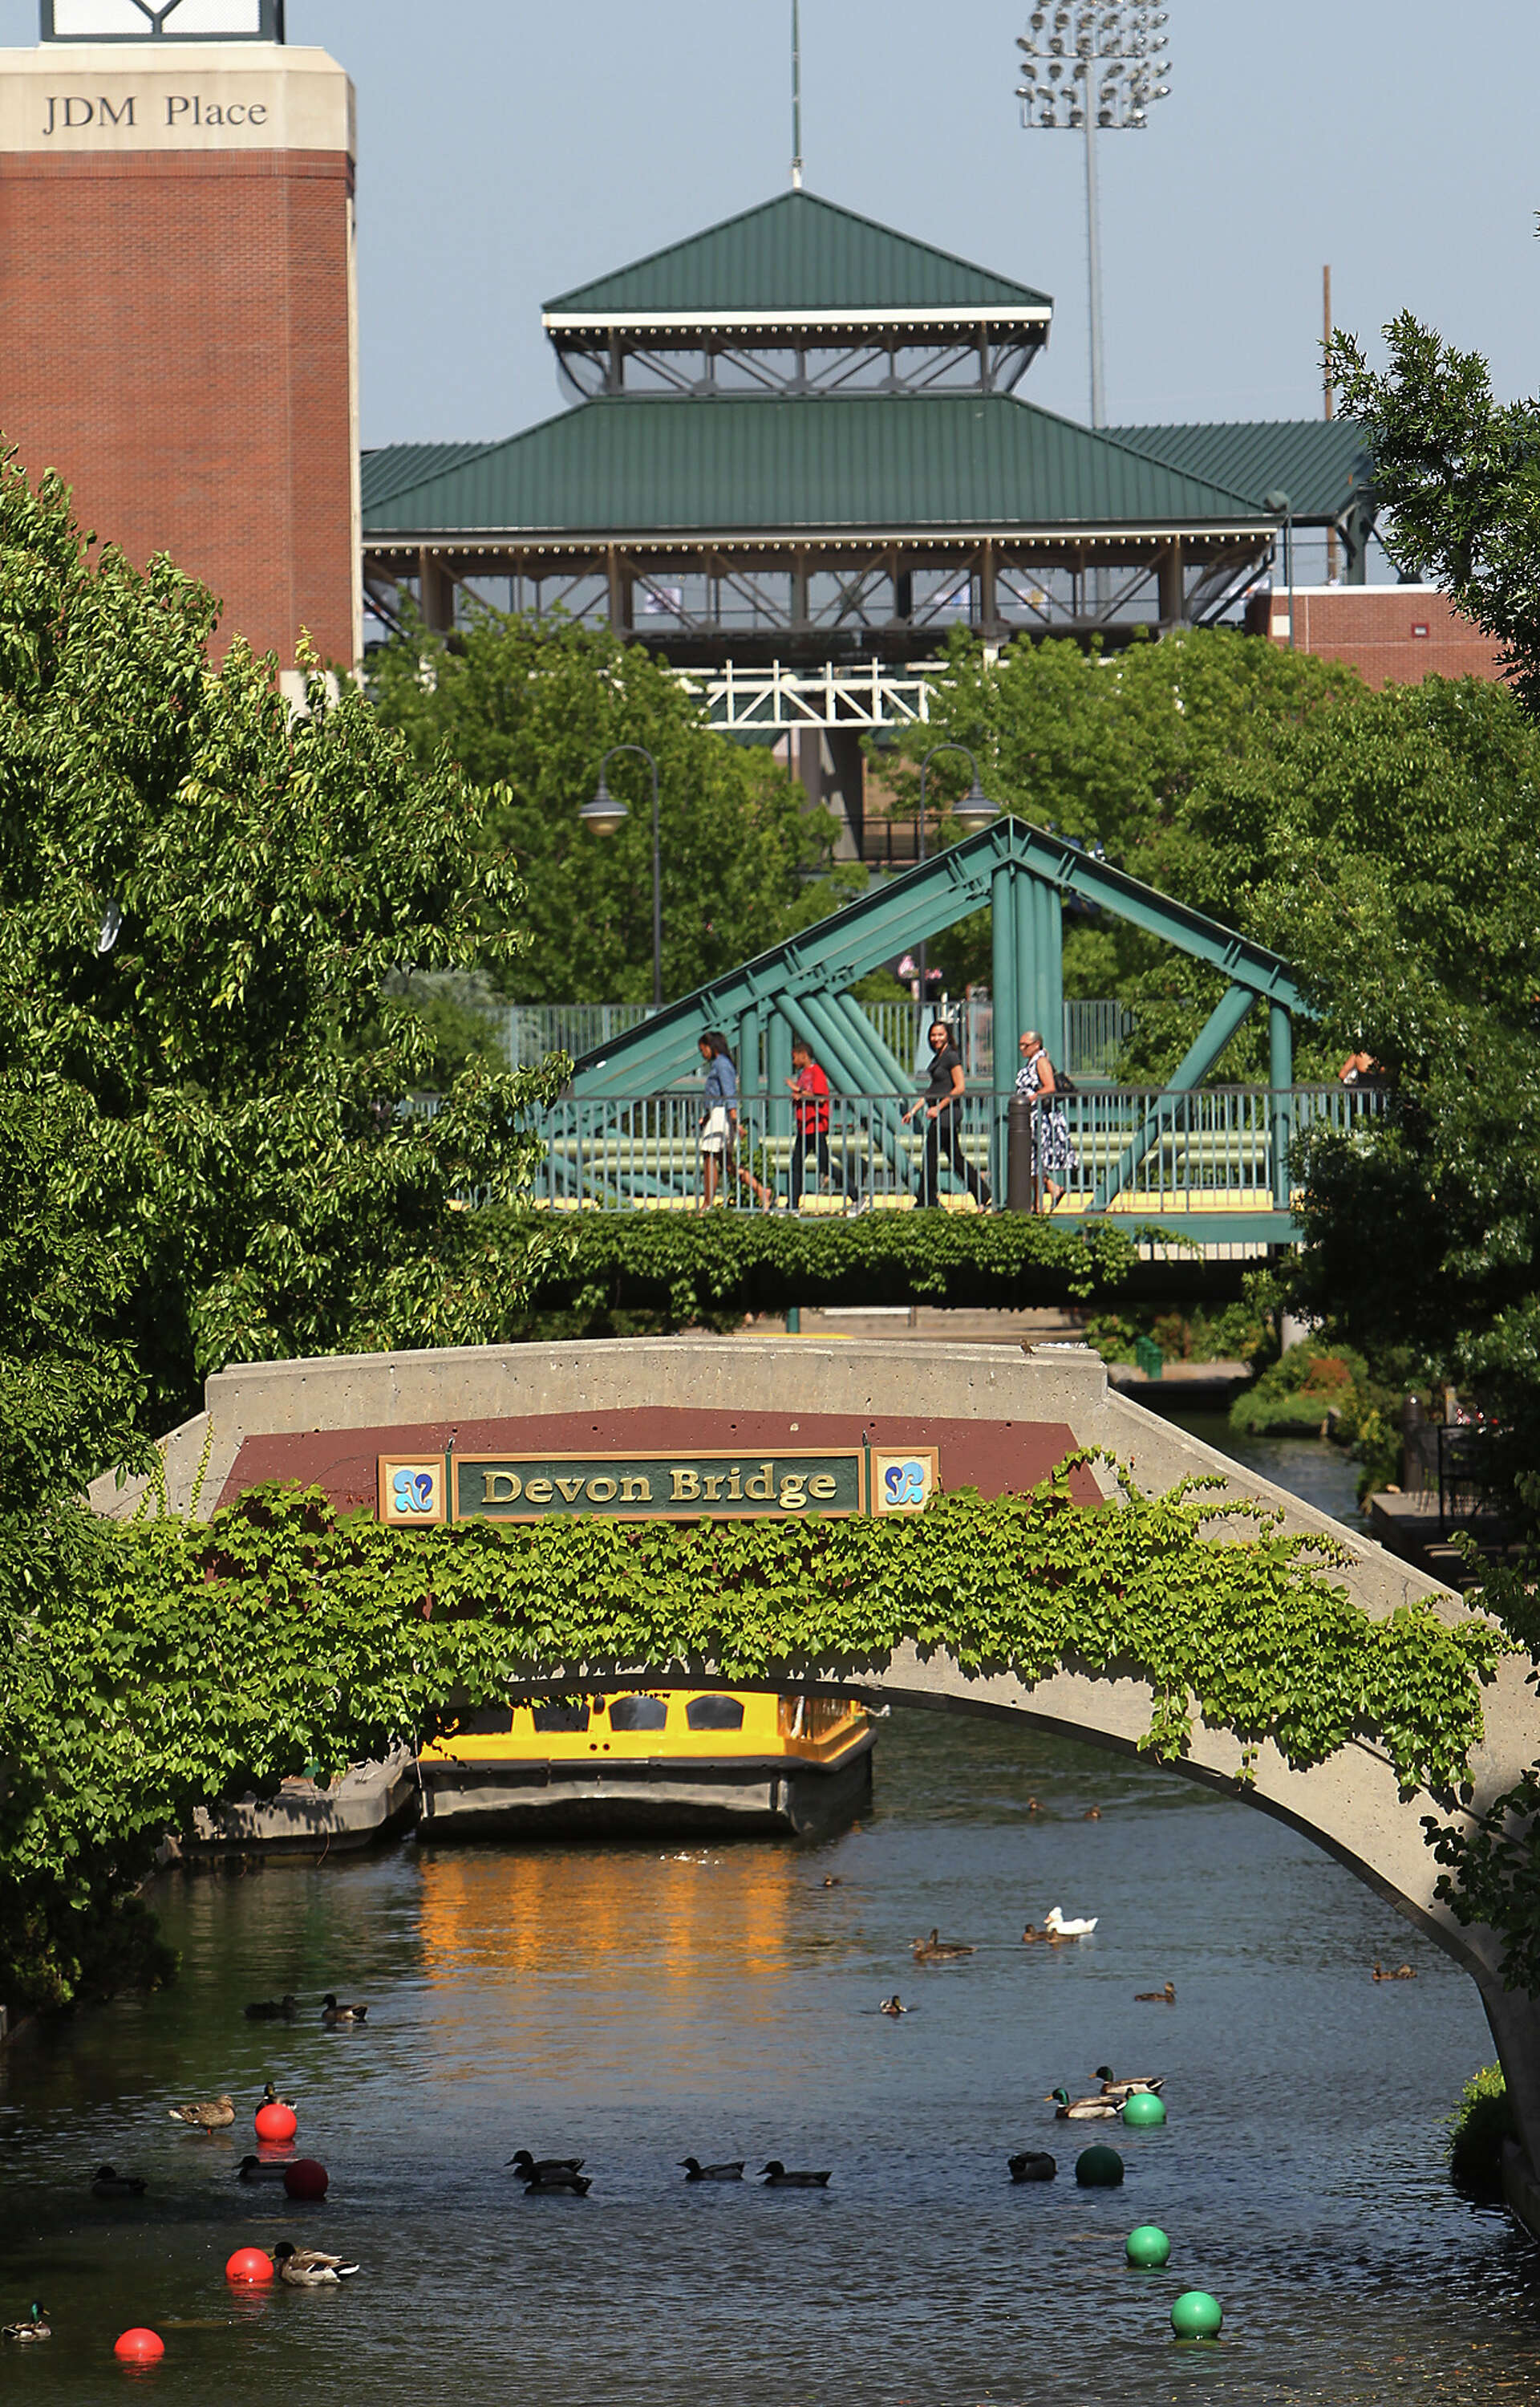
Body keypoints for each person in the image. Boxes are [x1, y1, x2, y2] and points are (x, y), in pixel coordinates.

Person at [904, 1019, 990, 1208]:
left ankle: (926, 1198)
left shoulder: (951, 1056)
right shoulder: (938, 1058)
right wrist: (913, 1110)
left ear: (947, 1036)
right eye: (933, 1035)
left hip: (948, 1114)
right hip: (942, 1114)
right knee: (955, 1157)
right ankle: (983, 1193)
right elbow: (932, 1091)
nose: (936, 1038)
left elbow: (960, 1088)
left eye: (940, 1034)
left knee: (931, 1155)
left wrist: (938, 1107)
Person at [697, 1031, 773, 1210]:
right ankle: (761, 1190)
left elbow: (728, 1092)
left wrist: (733, 1118)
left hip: (720, 1115)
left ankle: (707, 1205)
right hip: (718, 1115)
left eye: (703, 1049)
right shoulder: (722, 1064)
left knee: (709, 1158)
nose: (703, 1054)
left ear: (711, 1047)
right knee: (728, 1164)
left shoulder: (721, 1065)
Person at [1016, 1028, 1076, 1210]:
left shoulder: (1041, 1062)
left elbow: (1050, 1087)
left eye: (1025, 1045)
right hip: (1030, 1117)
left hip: (1041, 1118)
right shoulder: (1032, 1062)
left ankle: (1040, 1199)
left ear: (1036, 1045)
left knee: (1035, 1160)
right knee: (1031, 1161)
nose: (1021, 1049)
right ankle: (1049, 1192)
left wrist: (1031, 1098)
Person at [785, 1038, 832, 1207]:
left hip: (816, 1126)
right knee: (796, 1165)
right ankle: (792, 1204)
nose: (793, 1061)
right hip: (804, 1127)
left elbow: (819, 1098)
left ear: (804, 1056)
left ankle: (855, 1195)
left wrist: (798, 1091)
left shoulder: (816, 1071)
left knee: (826, 1165)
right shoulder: (803, 1075)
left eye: (795, 1057)